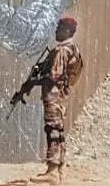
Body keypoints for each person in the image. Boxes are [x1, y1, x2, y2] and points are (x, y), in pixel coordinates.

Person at [26, 15, 84, 184]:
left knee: (52, 129)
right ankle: (58, 168)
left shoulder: (61, 50)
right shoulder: (73, 48)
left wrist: (32, 82)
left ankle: (52, 170)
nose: (56, 31)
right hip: (62, 95)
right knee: (58, 130)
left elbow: (53, 76)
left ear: (67, 30)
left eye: (59, 28)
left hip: (54, 94)